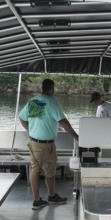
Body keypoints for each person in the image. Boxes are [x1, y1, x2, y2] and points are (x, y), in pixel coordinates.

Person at [20, 79, 79, 210]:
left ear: (42, 87)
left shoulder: (35, 101)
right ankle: (50, 197)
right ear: (52, 88)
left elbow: (22, 118)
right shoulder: (52, 102)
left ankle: (38, 199)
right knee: (49, 171)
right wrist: (76, 137)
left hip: (33, 142)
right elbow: (63, 122)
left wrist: (30, 130)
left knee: (35, 169)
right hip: (45, 145)